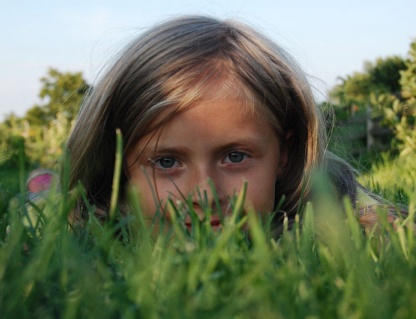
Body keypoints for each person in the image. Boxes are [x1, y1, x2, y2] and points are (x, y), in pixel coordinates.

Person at [66, 15, 404, 233]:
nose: (204, 193)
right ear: (118, 165)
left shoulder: (329, 215)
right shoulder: (83, 228)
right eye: (166, 162)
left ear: (283, 155)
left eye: (236, 156)